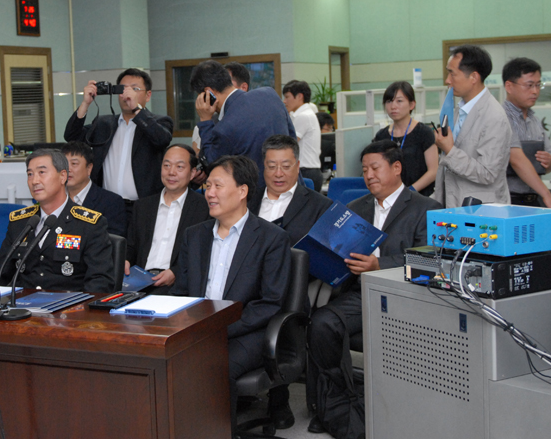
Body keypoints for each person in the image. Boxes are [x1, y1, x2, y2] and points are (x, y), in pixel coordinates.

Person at [306, 141, 441, 434]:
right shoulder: (354, 209)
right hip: (360, 294)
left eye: (375, 168)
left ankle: (368, 405)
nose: (368, 175)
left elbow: (428, 267)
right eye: (364, 169)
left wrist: (379, 265)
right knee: (320, 323)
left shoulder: (425, 208)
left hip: (407, 297)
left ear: (396, 168)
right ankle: (337, 400)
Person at [171, 155, 290, 434]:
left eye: (217, 186)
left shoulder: (271, 238)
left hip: (247, 330)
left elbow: (270, 303)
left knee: (214, 367)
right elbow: (181, 292)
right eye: (207, 186)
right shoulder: (194, 235)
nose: (209, 193)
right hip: (200, 327)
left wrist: (220, 328)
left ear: (242, 191)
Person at [249, 134, 332, 430]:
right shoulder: (247, 197)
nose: (278, 173)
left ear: (298, 165)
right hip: (243, 284)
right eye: (271, 166)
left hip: (290, 288)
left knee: (272, 310)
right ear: (263, 167)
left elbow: (319, 260)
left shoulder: (319, 205)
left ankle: (278, 396)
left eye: (285, 165)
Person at [0, 149, 114, 293]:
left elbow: (100, 281)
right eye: (30, 174)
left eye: (42, 172)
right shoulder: (21, 222)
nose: (34, 181)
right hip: (22, 307)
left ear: (62, 176)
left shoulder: (88, 223)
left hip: (68, 309)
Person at [64, 68, 173, 208]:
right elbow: (71, 136)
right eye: (122, 89)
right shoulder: (104, 124)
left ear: (148, 95)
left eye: (135, 89)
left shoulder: (160, 122)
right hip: (107, 205)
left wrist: (136, 108)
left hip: (144, 206)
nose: (127, 94)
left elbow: (161, 139)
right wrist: (85, 104)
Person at [190, 60, 296, 186]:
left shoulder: (225, 128)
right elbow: (292, 138)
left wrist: (205, 121)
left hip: (257, 198)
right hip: (292, 188)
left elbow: (212, 164)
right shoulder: (269, 94)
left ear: (209, 93)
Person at [433, 45, 512, 207]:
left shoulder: (494, 116)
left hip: (480, 212)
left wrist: (450, 151)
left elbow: (488, 173)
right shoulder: (458, 110)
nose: (448, 80)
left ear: (474, 77)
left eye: (452, 73)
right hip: (453, 206)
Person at [125, 144, 210, 294]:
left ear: (192, 173)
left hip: (179, 285)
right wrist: (125, 260)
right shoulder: (143, 206)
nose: (171, 172)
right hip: (140, 284)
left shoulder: (204, 208)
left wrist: (176, 272)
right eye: (167, 165)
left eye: (179, 167)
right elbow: (131, 246)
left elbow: (204, 252)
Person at [373, 81, 438, 196]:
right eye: (389, 101)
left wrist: (409, 191)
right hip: (390, 196)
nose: (393, 106)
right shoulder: (381, 136)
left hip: (421, 197)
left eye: (399, 101)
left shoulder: (424, 133)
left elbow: (433, 171)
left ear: (412, 104)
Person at [502, 57, 551, 207]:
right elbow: (516, 161)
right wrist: (546, 193)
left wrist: (548, 162)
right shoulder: (500, 117)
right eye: (529, 85)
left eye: (538, 85)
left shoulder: (535, 120)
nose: (535, 91)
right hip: (509, 199)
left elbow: (548, 161)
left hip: (534, 198)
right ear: (509, 86)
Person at [61, 141, 128, 237]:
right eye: (64, 164)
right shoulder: (54, 199)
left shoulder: (111, 202)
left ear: (89, 168)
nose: (68, 169)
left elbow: (111, 243)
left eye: (74, 163)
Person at [283, 80, 323, 191]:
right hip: (307, 170)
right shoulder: (300, 115)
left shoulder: (304, 116)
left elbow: (288, 143)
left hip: (306, 172)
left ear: (299, 96)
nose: (284, 101)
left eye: (287, 97)